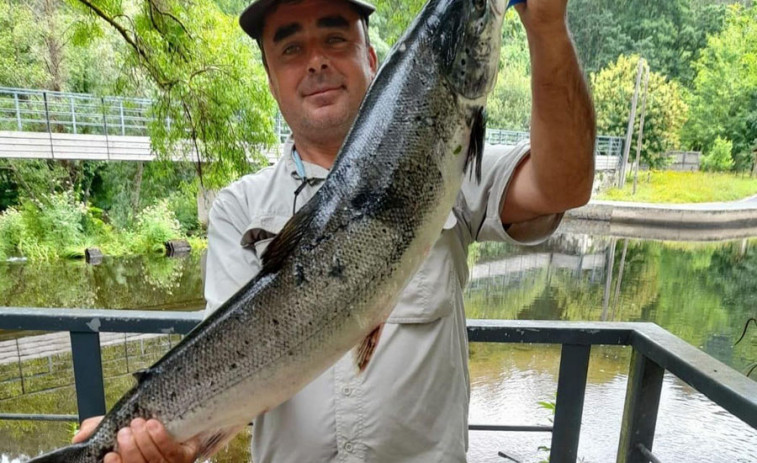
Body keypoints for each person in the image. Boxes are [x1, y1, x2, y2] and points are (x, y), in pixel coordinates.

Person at [73, 0, 596, 461]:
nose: (316, 60)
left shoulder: (450, 160)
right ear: (272, 78)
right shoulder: (240, 207)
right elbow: (221, 360)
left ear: (372, 59)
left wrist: (547, 27)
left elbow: (564, 184)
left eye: (335, 38)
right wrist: (158, 439)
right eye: (292, 48)